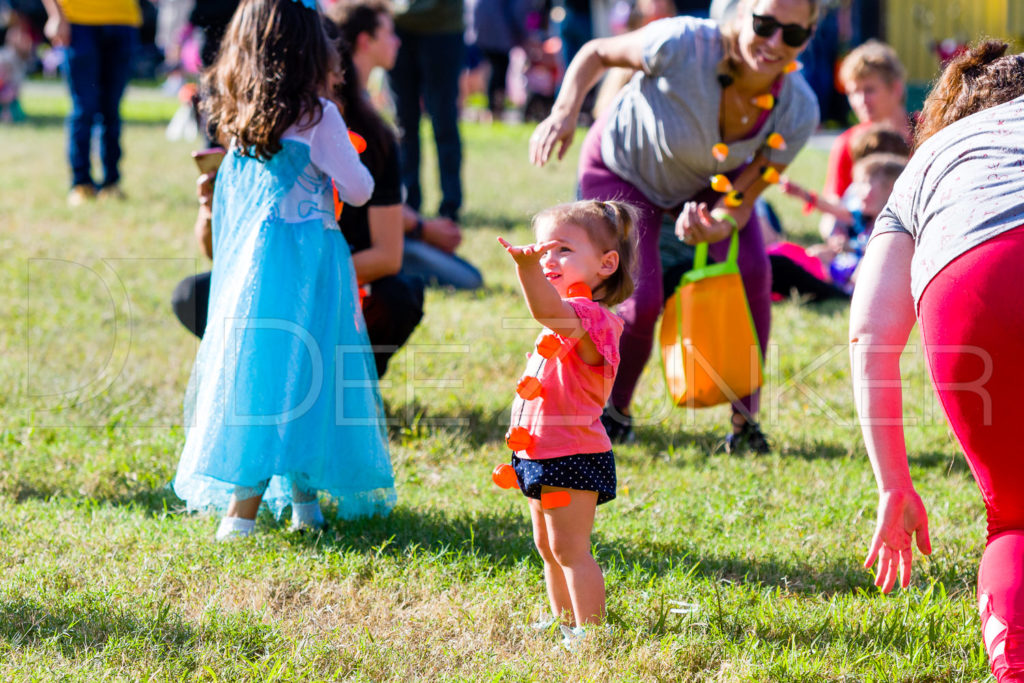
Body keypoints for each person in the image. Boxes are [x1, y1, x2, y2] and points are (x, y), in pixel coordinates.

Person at [529, 0, 820, 451]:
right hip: (623, 166)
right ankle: (611, 414)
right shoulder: (684, 43)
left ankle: (745, 426)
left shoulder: (798, 109)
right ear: (741, 16)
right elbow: (597, 53)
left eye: (793, 34)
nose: (775, 42)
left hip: (707, 185)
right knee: (637, 299)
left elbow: (742, 198)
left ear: (808, 37)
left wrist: (718, 226)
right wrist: (565, 112)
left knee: (751, 274)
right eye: (765, 24)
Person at [172, 0, 395, 541]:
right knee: (310, 377)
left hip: (255, 269)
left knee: (260, 373)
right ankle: (262, 512)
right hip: (311, 268)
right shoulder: (320, 116)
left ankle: (292, 507)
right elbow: (361, 189)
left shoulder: (238, 116)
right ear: (311, 52)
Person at [849, 42, 1024, 683]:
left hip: (980, 280)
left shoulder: (930, 160)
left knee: (1015, 515)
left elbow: (871, 334)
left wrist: (894, 481)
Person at [497, 199, 637, 644]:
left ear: (606, 264)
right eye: (541, 250)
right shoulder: (566, 316)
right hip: (541, 454)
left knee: (571, 549)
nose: (546, 259)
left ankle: (590, 631)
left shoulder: (590, 319)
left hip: (571, 457)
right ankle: (562, 619)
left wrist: (526, 269)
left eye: (561, 250)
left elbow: (543, 310)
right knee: (547, 546)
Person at [328, 0, 482, 291]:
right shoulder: (344, 114)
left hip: (371, 237)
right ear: (366, 41)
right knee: (467, 279)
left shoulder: (353, 106)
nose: (398, 41)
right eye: (390, 33)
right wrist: (423, 228)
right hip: (360, 245)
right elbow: (364, 199)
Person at [41, 0, 140, 205]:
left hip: (123, 20)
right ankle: (81, 183)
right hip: (78, 20)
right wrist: (56, 15)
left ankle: (111, 183)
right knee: (84, 108)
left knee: (112, 110)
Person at [389, 0, 464, 222]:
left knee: (443, 121)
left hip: (442, 28)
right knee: (403, 123)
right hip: (399, 26)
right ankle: (408, 202)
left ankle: (450, 204)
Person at [823, 40, 910, 205]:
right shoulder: (846, 144)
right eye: (853, 92)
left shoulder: (929, 131)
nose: (861, 100)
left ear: (896, 88)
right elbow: (833, 213)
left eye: (869, 90)